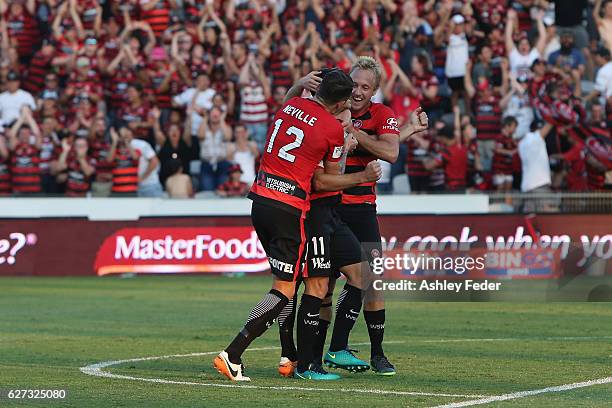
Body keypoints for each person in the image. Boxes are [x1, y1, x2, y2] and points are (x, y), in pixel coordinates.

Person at [212, 69, 355, 382]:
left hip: (260, 200)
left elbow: (292, 105)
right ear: (340, 102)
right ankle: (232, 354)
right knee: (284, 290)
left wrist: (297, 84)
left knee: (285, 282)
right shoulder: (332, 127)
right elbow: (327, 180)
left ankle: (288, 354)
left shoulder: (289, 106)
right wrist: (350, 158)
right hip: (289, 207)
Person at [322, 57, 427, 376]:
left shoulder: (382, 114)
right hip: (331, 205)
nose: (357, 91)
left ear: (375, 91)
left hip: (362, 210)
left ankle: (377, 353)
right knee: (322, 285)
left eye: (365, 87)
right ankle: (315, 353)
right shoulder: (332, 108)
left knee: (373, 283)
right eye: (354, 84)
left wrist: (355, 131)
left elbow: (391, 152)